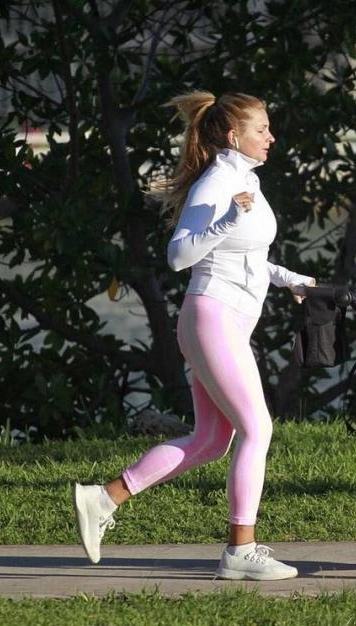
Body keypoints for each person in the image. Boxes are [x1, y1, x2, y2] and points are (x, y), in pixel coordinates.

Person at [73, 91, 316, 580]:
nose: (272, 137)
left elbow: (244, 256)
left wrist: (288, 278)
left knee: (210, 439)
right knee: (258, 429)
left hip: (223, 319)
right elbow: (180, 255)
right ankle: (240, 552)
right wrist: (227, 218)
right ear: (233, 136)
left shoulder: (245, 179)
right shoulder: (218, 184)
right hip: (213, 317)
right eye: (261, 129)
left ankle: (103, 498)